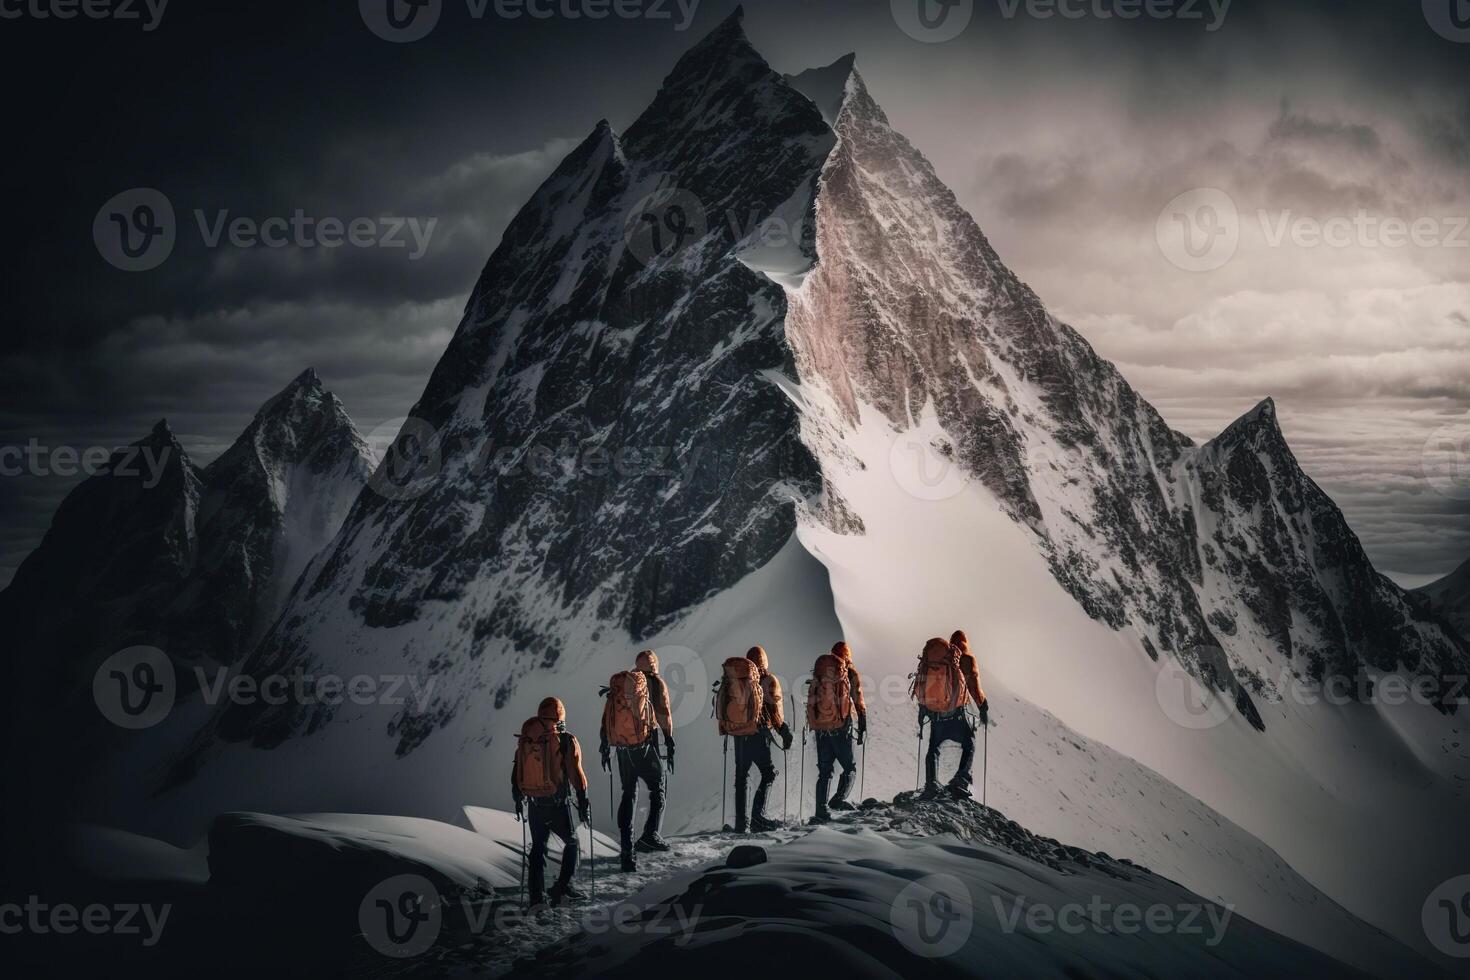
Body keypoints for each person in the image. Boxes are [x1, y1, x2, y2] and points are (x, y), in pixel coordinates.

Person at [511, 696, 591, 908]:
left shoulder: (527, 738)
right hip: (557, 804)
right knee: (572, 842)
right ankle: (562, 887)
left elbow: (517, 767)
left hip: (534, 803)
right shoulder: (565, 740)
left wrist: (518, 798)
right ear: (560, 716)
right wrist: (583, 801)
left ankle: (536, 897)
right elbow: (576, 774)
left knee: (538, 847)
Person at [600, 650, 675, 872]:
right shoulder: (653, 683)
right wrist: (669, 741)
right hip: (645, 747)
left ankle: (626, 850)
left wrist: (605, 745)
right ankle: (650, 835)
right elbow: (664, 713)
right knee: (658, 789)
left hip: (622, 750)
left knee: (628, 793)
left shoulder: (622, 685)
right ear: (654, 665)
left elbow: (607, 717)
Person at [916, 631, 988, 800]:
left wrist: (922, 711)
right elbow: (974, 687)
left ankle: (931, 784)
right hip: (957, 715)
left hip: (936, 715)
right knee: (969, 743)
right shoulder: (966, 659)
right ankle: (960, 781)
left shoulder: (937, 661)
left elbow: (925, 687)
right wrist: (982, 706)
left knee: (933, 748)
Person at [808, 641, 866, 824]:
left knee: (825, 771)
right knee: (850, 767)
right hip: (840, 729)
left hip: (821, 730)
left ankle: (821, 810)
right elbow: (857, 698)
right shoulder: (848, 672)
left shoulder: (820, 672)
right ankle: (838, 800)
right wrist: (862, 723)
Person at [736, 645, 793, 833]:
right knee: (768, 774)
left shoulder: (737, 681)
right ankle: (758, 818)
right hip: (758, 734)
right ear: (764, 661)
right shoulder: (767, 680)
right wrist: (783, 731)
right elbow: (773, 711)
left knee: (741, 777)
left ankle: (740, 824)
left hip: (738, 735)